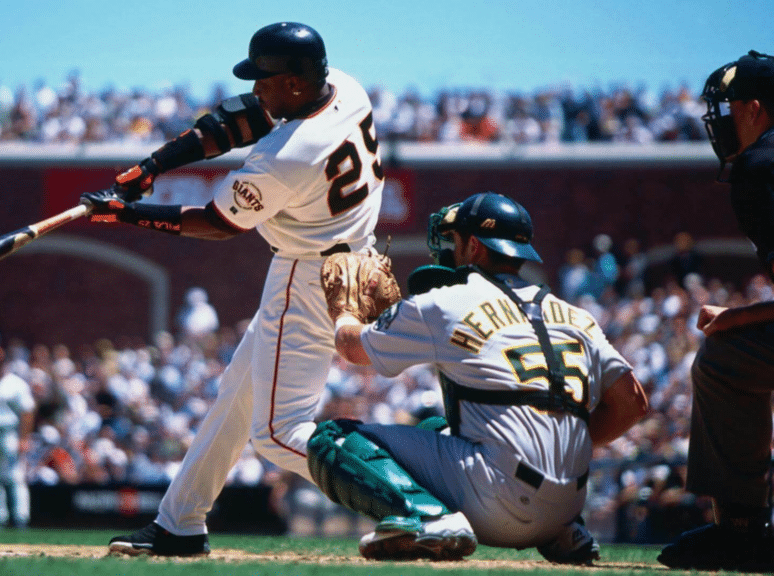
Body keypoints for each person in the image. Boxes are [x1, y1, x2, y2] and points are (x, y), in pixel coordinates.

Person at [84, 22, 384, 556]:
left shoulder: (288, 154)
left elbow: (218, 223)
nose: (258, 89)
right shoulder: (345, 86)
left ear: (294, 82)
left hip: (310, 274)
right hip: (350, 263)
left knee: (277, 432)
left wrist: (125, 215)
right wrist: (154, 166)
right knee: (237, 397)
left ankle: (418, 500)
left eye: (267, 80)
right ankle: (180, 523)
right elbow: (241, 117)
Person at [306, 192, 649, 562]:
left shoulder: (446, 301)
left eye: (454, 241)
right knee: (437, 426)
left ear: (473, 245)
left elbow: (352, 348)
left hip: (497, 502)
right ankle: (564, 533)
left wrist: (343, 310)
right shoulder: (577, 316)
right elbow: (633, 404)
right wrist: (559, 456)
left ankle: (429, 517)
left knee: (332, 439)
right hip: (570, 505)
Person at [657, 50, 774, 572]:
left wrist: (733, 319)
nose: (722, 122)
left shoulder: (761, 163)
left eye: (728, 109)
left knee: (726, 357)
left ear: (753, 109)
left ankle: (742, 530)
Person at [0, 346, 36, 530]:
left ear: (6, 362)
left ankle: (20, 518)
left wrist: (24, 438)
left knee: (15, 476)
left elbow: (27, 412)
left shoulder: (16, 384)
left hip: (10, 432)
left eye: (0, 361)